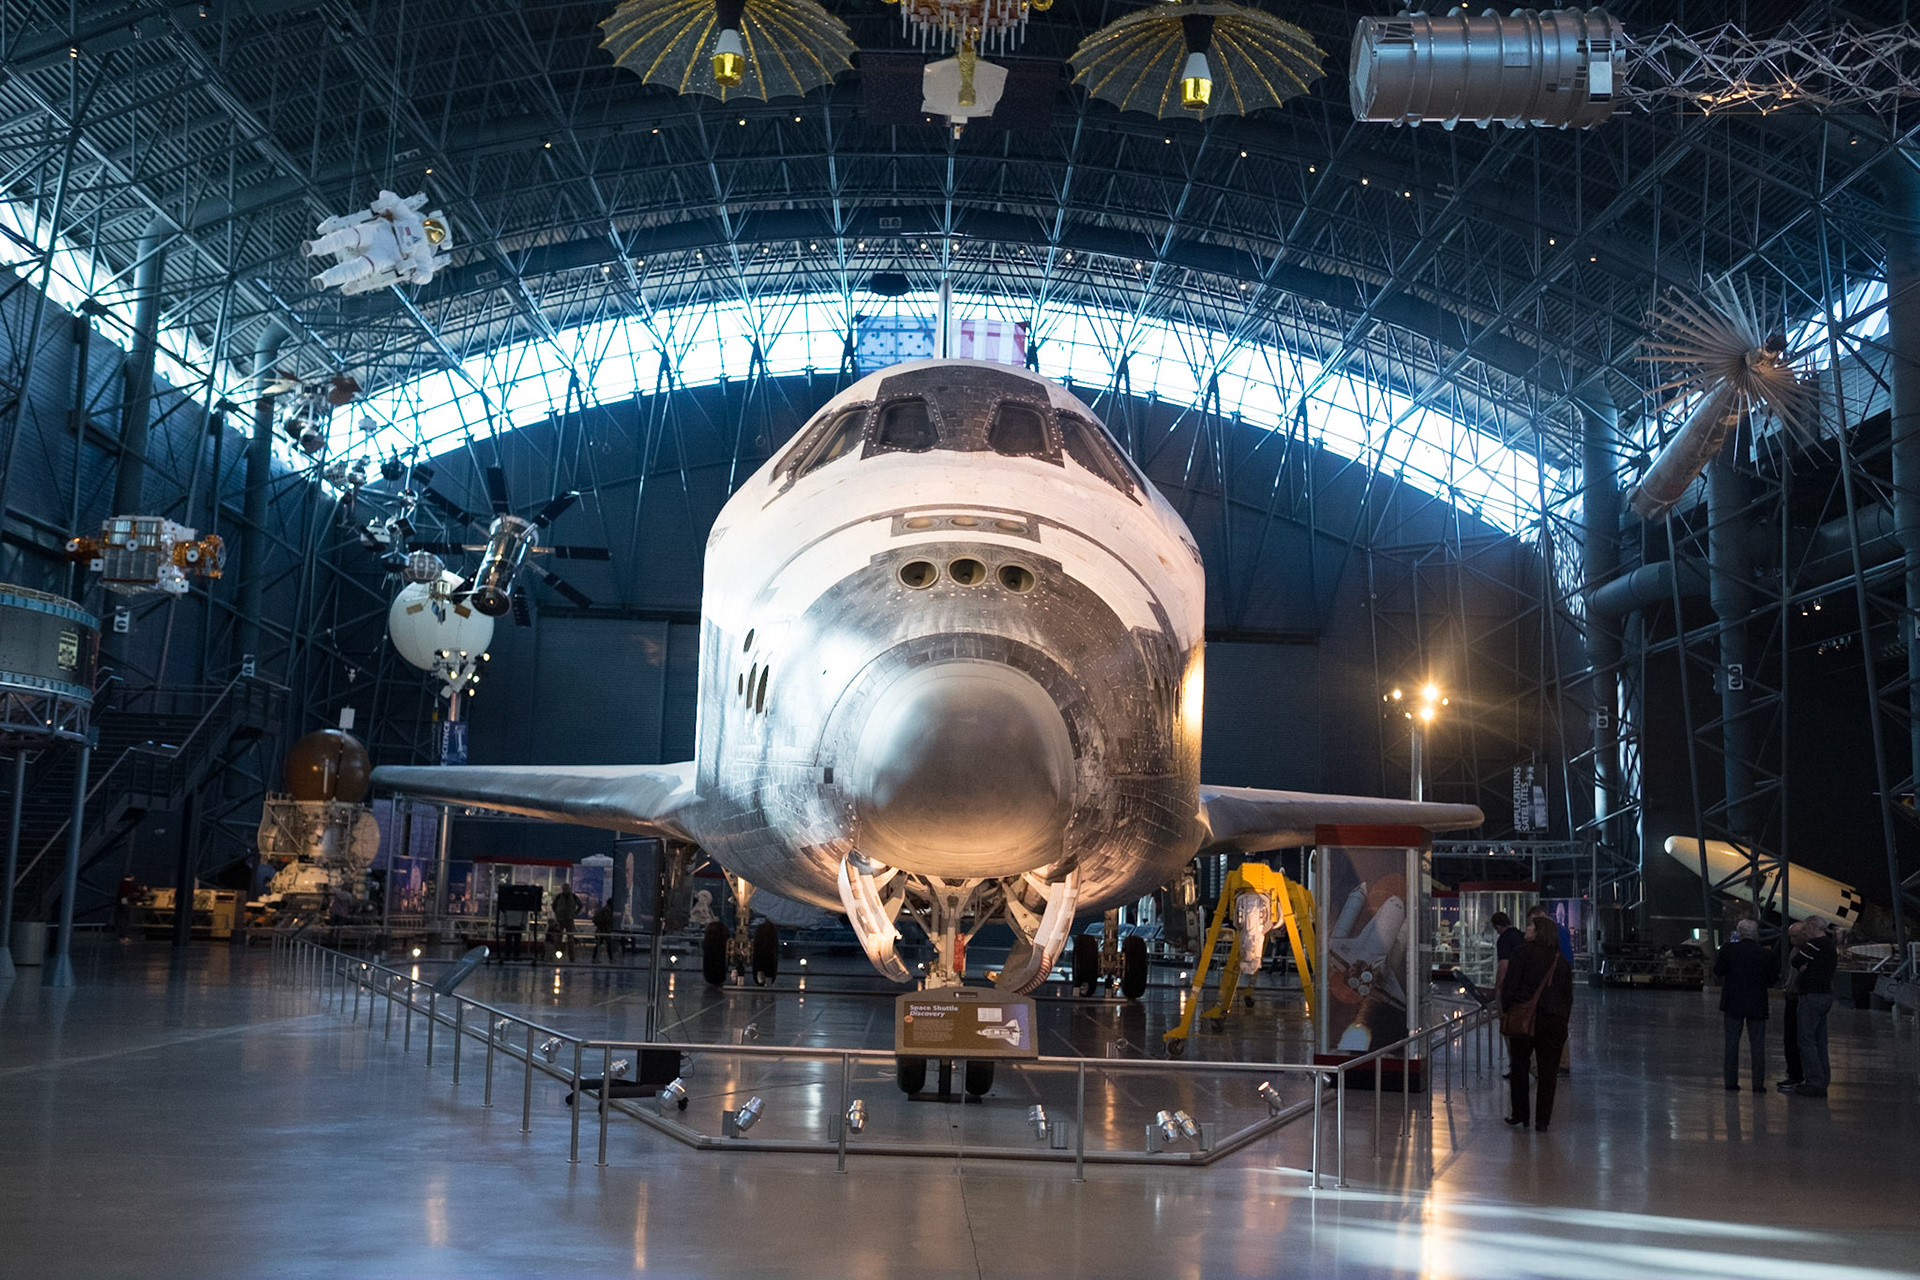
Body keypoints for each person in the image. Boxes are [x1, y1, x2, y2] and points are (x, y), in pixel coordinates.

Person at [1500, 914, 1574, 1130]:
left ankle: (1520, 1114)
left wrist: (1508, 1009)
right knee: (1548, 1073)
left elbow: (1509, 986)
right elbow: (1567, 996)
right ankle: (1543, 1121)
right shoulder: (1561, 961)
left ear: (1539, 931)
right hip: (1554, 1022)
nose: (1526, 930)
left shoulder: (1522, 953)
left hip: (1525, 1020)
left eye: (1530, 926)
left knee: (1520, 1066)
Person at [1714, 918, 1776, 1092]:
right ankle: (1758, 1084)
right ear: (1755, 934)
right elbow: (1772, 979)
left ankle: (1731, 1082)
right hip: (1757, 1003)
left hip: (1733, 1002)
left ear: (1739, 933)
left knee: (1731, 1043)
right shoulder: (1765, 954)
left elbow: (1718, 971)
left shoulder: (1728, 950)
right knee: (1758, 1044)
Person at [1788, 915, 1837, 1096]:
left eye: (1806, 928)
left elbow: (1796, 961)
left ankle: (1814, 1081)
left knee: (1806, 1039)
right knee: (1819, 1040)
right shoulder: (1829, 946)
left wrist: (1804, 966)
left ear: (1814, 926)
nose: (1804, 932)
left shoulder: (1816, 945)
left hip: (1812, 996)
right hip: (1824, 996)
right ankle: (1822, 1078)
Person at [1528, 904, 1576, 1075]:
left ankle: (1561, 1062)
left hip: (1553, 983)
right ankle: (1561, 1062)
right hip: (1558, 983)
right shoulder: (1560, 930)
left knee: (1556, 1023)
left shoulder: (1554, 932)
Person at [1778, 920, 1808, 1092]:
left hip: (1799, 997)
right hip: (1791, 995)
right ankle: (1794, 1073)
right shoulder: (1795, 951)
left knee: (1798, 1038)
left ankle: (1797, 1075)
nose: (1791, 940)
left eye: (1794, 936)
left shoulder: (1805, 952)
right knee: (1789, 1038)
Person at [551, 881, 583, 960]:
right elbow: (554, 905)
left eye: (567, 889)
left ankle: (571, 956)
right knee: (558, 938)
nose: (565, 890)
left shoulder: (574, 897)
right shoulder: (559, 897)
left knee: (570, 938)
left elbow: (580, 905)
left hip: (569, 919)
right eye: (564, 889)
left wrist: (575, 913)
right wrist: (558, 913)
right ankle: (555, 955)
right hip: (560, 919)